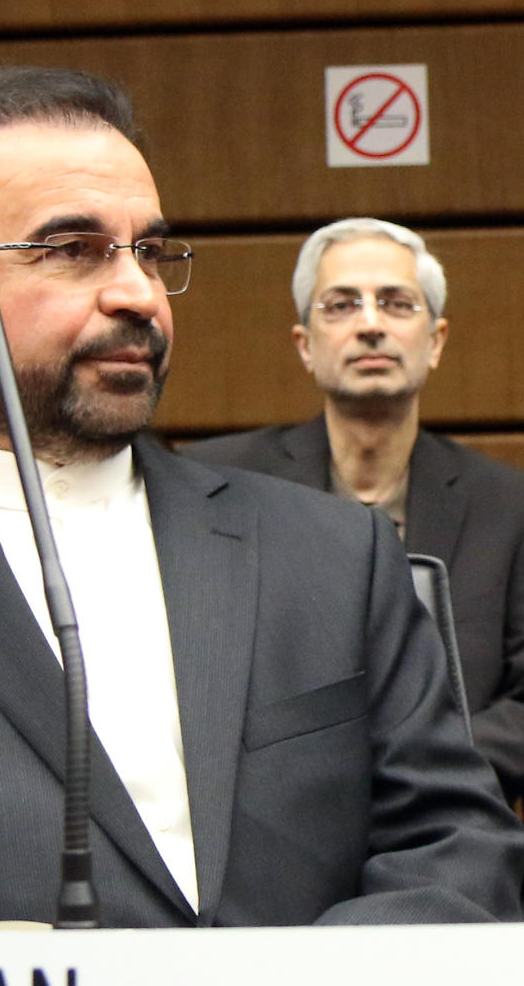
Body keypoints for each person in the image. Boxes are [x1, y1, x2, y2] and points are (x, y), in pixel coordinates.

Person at [0, 68, 524, 931]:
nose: (137, 293)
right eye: (71, 249)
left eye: (149, 251)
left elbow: (457, 849)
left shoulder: (335, 555)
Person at [184, 218, 524, 806]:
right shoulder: (219, 485)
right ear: (305, 345)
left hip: (452, 824)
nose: (370, 325)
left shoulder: (508, 504)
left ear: (436, 340)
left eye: (397, 303)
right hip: (269, 828)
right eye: (341, 305)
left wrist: (419, 772)